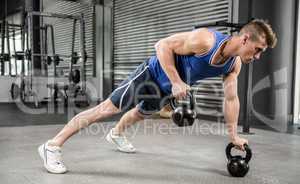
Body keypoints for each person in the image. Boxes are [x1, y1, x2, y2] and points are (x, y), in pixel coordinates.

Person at [38, 19, 277, 174]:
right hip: (151, 73)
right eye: (258, 50)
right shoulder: (206, 40)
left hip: (167, 89)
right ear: (245, 39)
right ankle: (52, 146)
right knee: (108, 109)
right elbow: (162, 45)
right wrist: (175, 81)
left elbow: (231, 98)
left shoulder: (233, 65)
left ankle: (116, 134)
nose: (257, 57)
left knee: (140, 114)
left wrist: (233, 134)